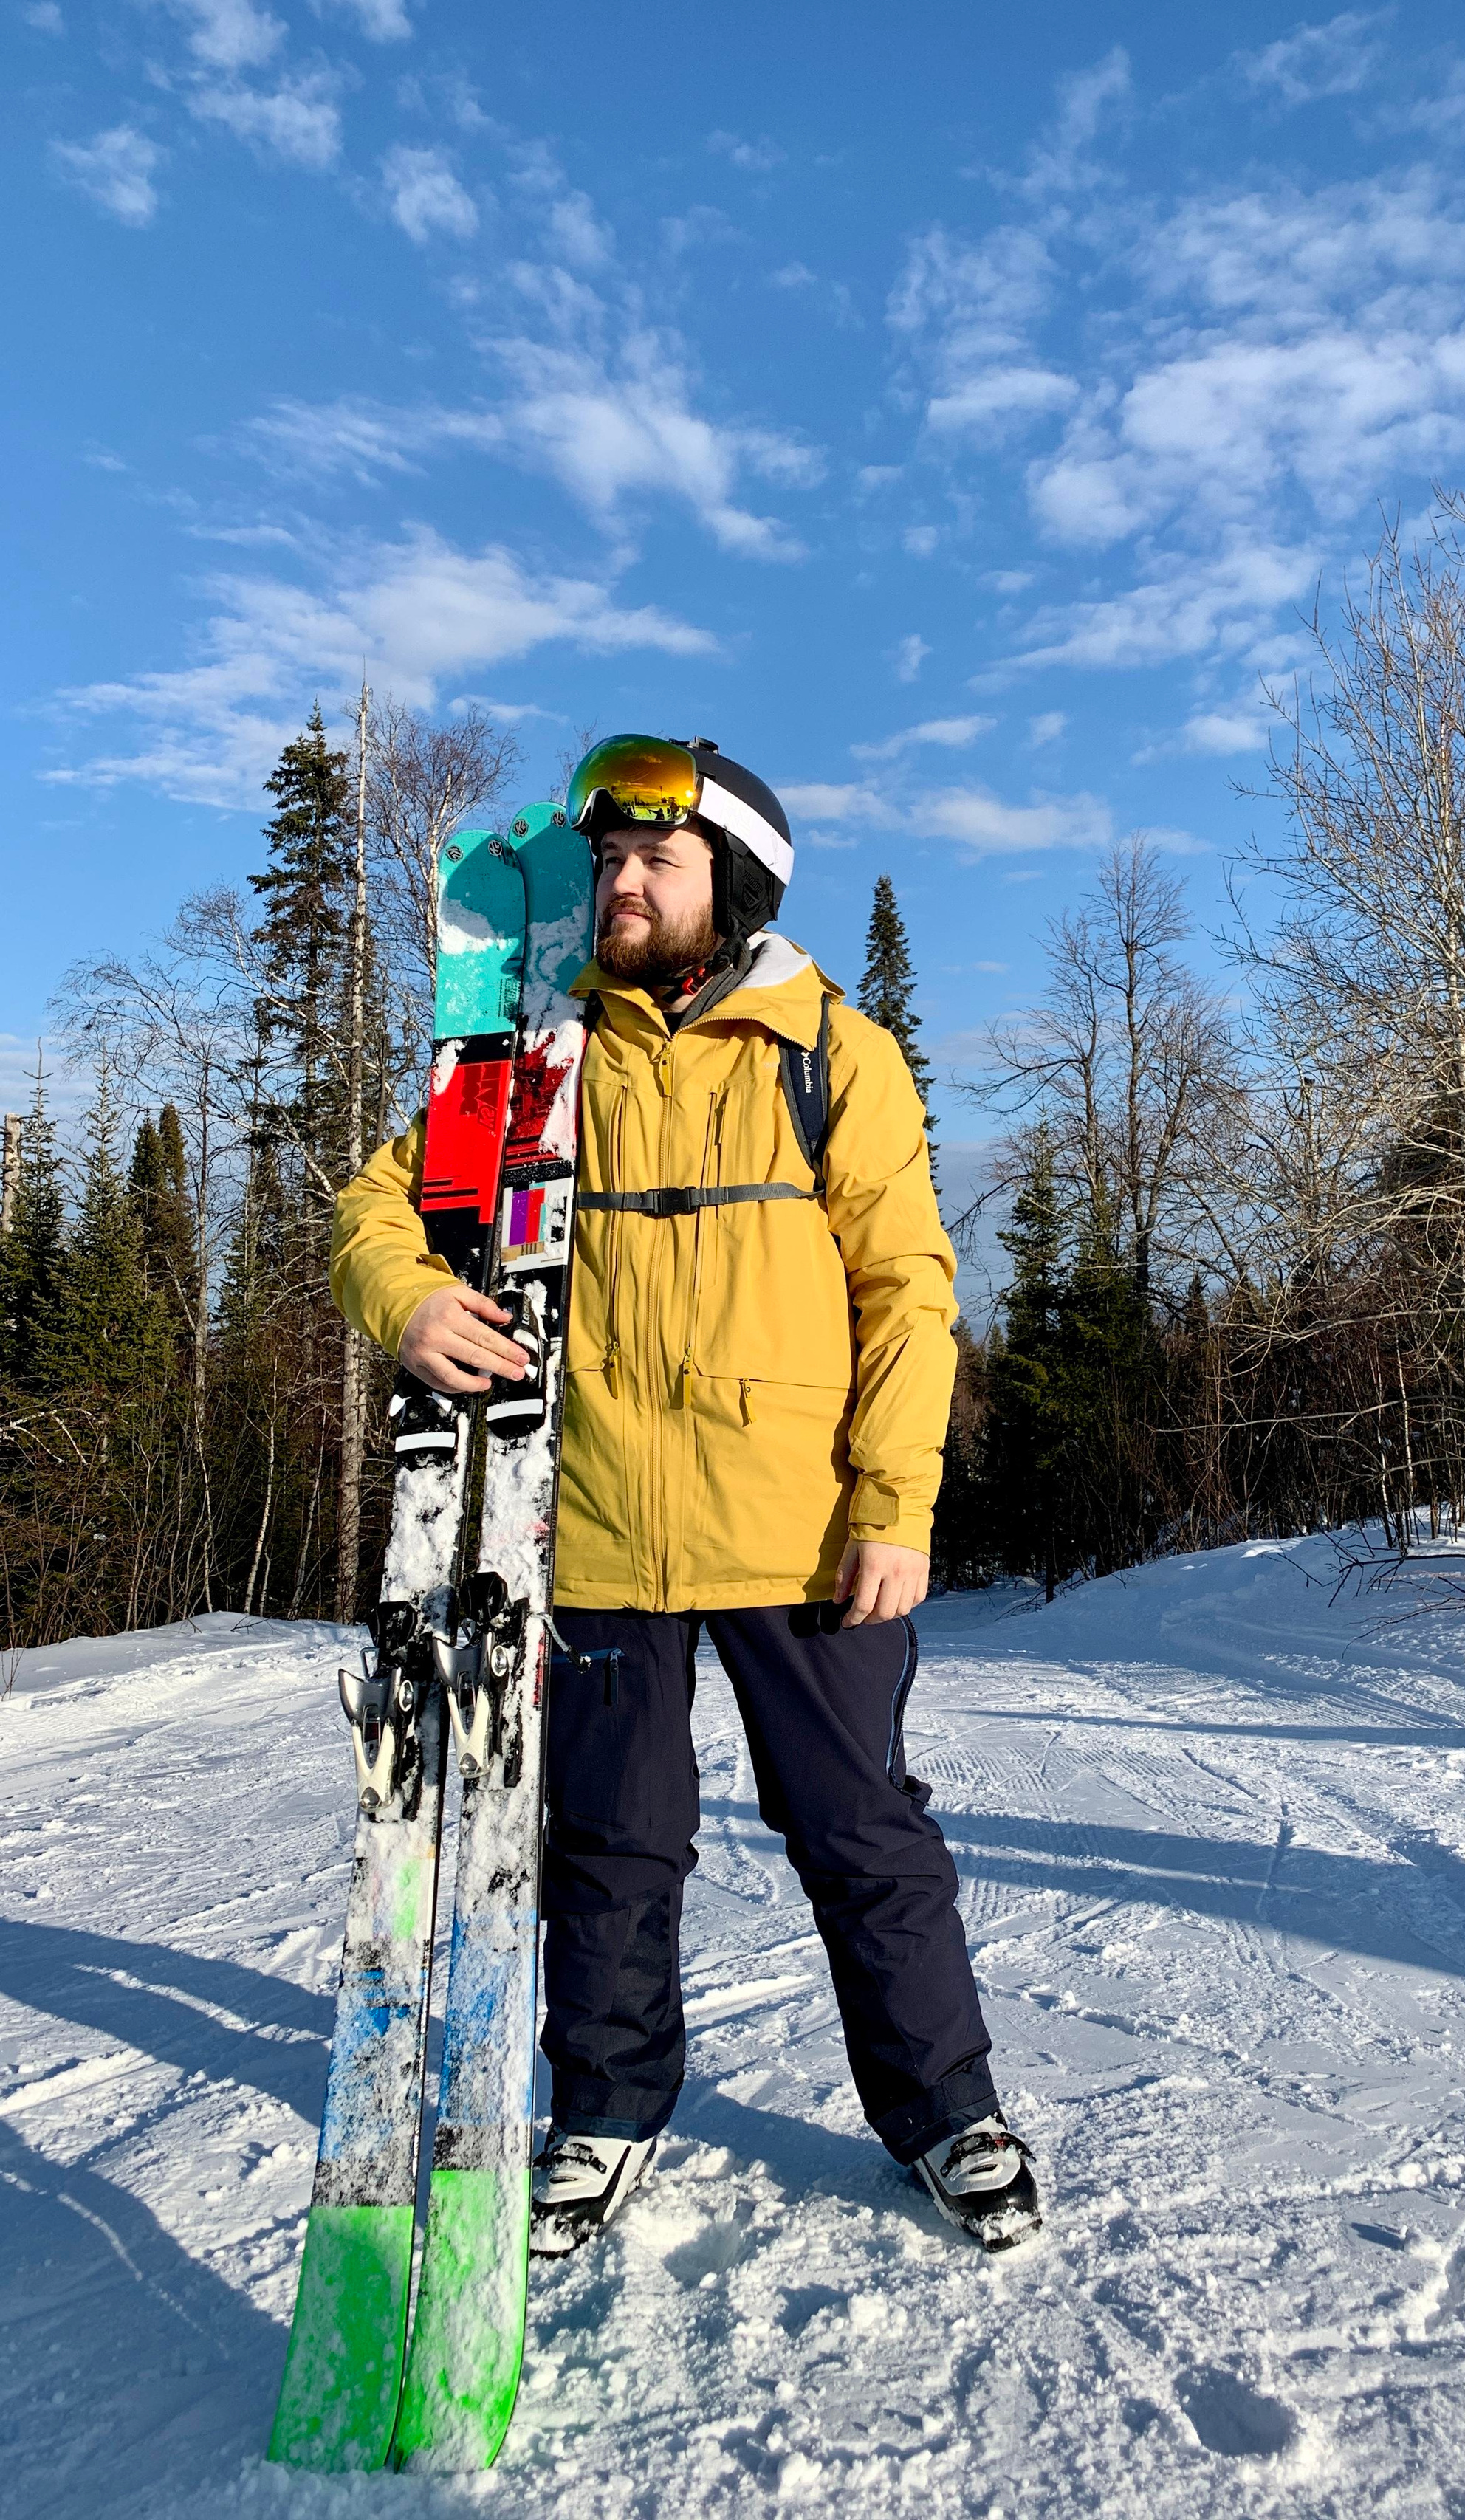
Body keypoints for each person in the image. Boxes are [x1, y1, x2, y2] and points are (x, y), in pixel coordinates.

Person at [330, 733, 1040, 2255]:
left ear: (734, 875)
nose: (621, 885)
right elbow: (378, 1204)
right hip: (585, 1528)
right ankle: (604, 2110)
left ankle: (944, 2111)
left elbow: (909, 1292)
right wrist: (399, 1295)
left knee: (859, 1831)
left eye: (655, 860)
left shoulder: (827, 1050)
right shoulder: (532, 1063)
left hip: (798, 1533)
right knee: (608, 1842)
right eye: (605, 863)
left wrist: (894, 1507)